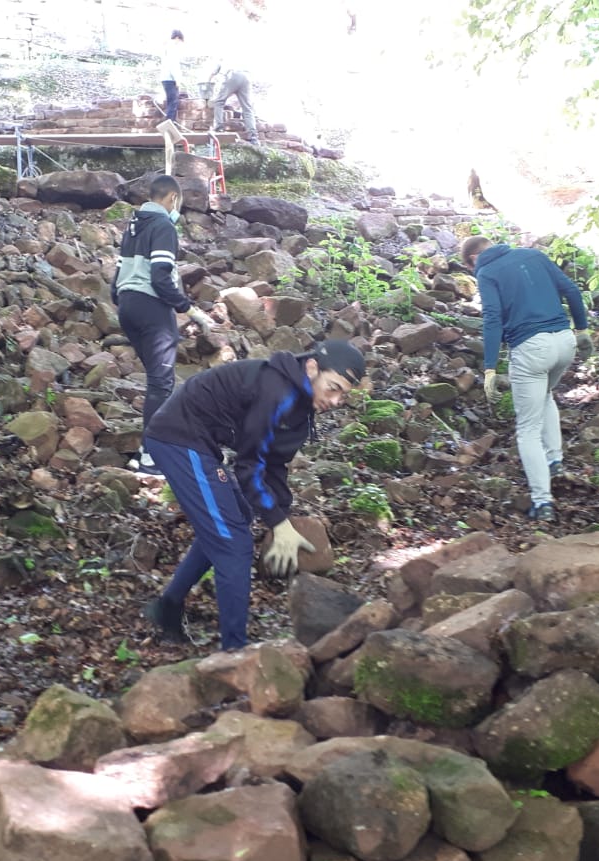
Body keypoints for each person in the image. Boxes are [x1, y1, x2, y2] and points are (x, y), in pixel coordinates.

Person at [141, 340, 366, 650]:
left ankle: (167, 607)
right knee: (233, 544)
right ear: (312, 368)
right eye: (333, 388)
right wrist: (278, 525)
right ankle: (235, 653)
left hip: (202, 443)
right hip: (177, 437)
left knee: (236, 519)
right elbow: (249, 467)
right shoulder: (277, 392)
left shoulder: (303, 403)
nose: (336, 401)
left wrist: (282, 517)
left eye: (343, 395)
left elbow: (274, 463)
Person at [461, 235, 593, 521]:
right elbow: (571, 290)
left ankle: (542, 502)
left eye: (470, 268)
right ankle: (555, 460)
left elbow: (493, 318)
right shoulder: (533, 255)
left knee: (528, 429)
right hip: (564, 342)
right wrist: (582, 330)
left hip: (532, 349)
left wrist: (490, 367)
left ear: (473, 259)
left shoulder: (486, 272)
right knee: (545, 395)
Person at [115, 175, 213, 474]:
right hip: (152, 308)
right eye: (178, 203)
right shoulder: (163, 226)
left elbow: (115, 280)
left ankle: (144, 452)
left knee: (158, 382)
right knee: (161, 384)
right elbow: (160, 277)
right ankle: (151, 457)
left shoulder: (133, 226)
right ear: (172, 198)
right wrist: (190, 310)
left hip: (127, 306)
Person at [203, 59, 260, 145]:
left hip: (232, 75)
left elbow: (212, 73)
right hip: (246, 77)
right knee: (247, 108)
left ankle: (219, 127)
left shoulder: (221, 59)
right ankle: (253, 136)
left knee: (219, 102)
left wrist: (207, 84)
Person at [159, 30, 185, 122]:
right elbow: (173, 66)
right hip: (170, 79)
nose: (180, 44)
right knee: (173, 102)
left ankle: (170, 122)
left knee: (171, 101)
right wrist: (177, 80)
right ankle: (169, 123)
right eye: (180, 41)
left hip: (165, 78)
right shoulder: (172, 48)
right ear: (177, 38)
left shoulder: (166, 48)